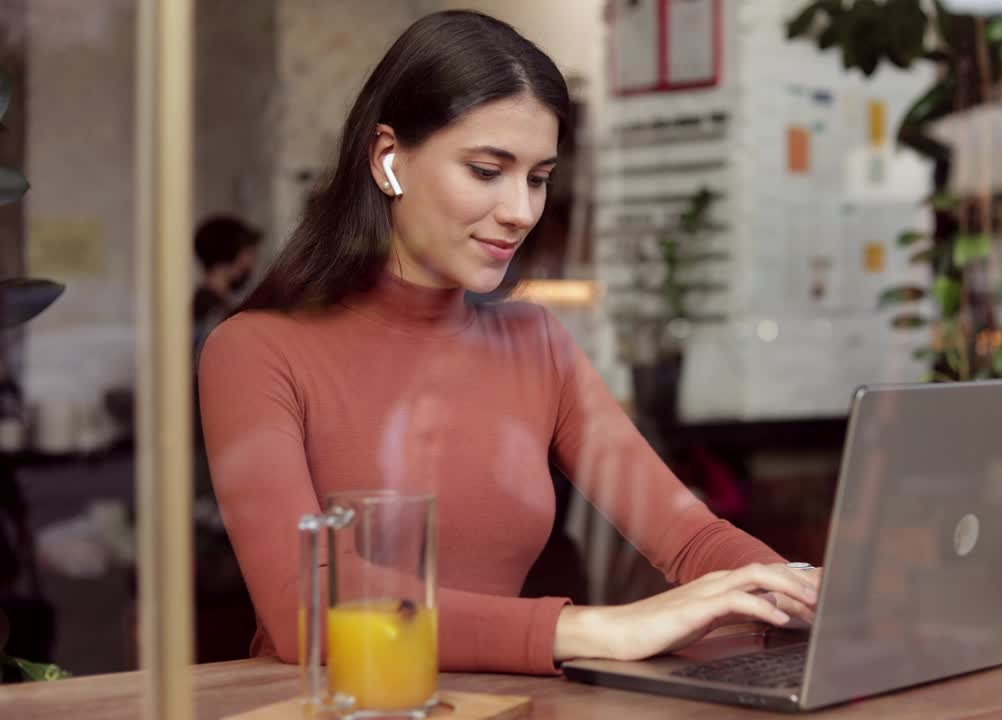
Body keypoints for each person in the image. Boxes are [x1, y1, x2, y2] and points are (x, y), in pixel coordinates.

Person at [197, 10, 818, 675]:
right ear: (387, 160)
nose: (521, 211)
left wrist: (810, 595)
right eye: (487, 171)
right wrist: (593, 629)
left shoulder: (536, 343)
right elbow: (309, 605)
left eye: (538, 177)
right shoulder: (255, 351)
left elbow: (688, 536)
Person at [192, 215, 261, 338]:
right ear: (228, 254)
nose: (252, 262)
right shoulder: (213, 311)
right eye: (248, 253)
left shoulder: (208, 304)